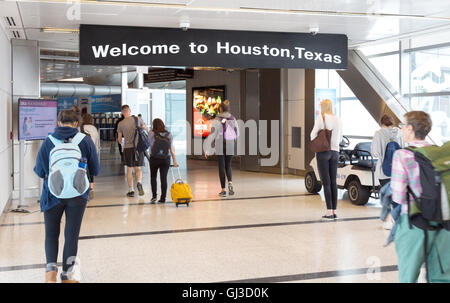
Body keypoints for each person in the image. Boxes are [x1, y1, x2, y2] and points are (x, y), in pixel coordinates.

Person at [34, 110, 100, 283]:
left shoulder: (48, 141)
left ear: (58, 123)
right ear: (77, 124)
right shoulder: (84, 140)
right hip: (78, 195)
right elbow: (96, 169)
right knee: (72, 235)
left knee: (51, 234)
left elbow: (40, 171)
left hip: (52, 194)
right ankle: (67, 275)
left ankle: (50, 275)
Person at [391, 111, 450, 283]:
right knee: (442, 276)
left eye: (402, 126)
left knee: (408, 275)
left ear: (410, 129)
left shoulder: (402, 155)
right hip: (444, 221)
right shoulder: (439, 154)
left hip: (414, 222)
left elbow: (399, 195)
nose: (401, 129)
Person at [310, 99, 343, 220]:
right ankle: (334, 211)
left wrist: (317, 141)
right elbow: (339, 139)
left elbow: (312, 134)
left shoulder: (321, 117)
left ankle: (329, 212)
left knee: (326, 182)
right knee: (333, 181)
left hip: (323, 153)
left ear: (323, 107)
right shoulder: (338, 119)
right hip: (335, 152)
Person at [205, 100, 239, 197]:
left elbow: (212, 134)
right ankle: (230, 183)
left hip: (220, 144)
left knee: (221, 166)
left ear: (220, 108)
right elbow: (237, 133)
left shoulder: (217, 119)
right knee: (228, 165)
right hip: (230, 144)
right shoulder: (233, 118)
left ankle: (223, 190)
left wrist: (207, 148)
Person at [117, 105, 147, 197]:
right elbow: (145, 128)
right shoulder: (137, 119)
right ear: (129, 111)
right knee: (138, 168)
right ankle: (139, 182)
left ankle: (131, 190)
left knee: (129, 169)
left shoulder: (121, 124)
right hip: (138, 147)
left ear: (122, 112)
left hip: (128, 148)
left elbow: (119, 139)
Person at [148, 118, 178, 203]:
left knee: (153, 177)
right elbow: (171, 149)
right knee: (163, 178)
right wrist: (174, 161)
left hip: (154, 158)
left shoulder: (151, 133)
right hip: (165, 159)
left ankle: (154, 197)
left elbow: (149, 145)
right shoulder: (169, 134)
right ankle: (163, 198)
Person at [372, 114, 402, 188]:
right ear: (392, 123)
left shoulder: (378, 134)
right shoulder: (400, 133)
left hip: (384, 172)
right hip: (399, 171)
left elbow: (375, 153)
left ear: (381, 123)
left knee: (387, 196)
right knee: (396, 197)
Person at [81, 113, 100, 200]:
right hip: (92, 152)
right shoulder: (94, 128)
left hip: (81, 153)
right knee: (91, 170)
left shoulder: (80, 128)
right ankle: (91, 187)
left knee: (83, 170)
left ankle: (83, 188)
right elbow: (96, 142)